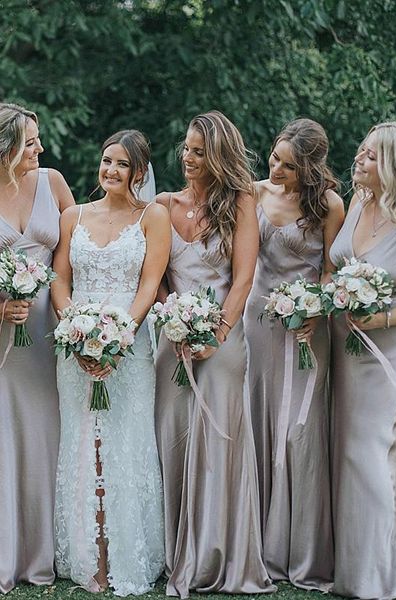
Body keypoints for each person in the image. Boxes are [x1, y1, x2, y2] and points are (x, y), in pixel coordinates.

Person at [155, 110, 276, 598]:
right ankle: (172, 551)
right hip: (172, 341)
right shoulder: (163, 205)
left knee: (218, 443)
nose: (188, 158)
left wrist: (217, 333)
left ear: (219, 156)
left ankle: (216, 554)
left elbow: (243, 278)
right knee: (173, 437)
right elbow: (156, 277)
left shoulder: (241, 202)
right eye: (186, 149)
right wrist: (174, 320)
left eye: (200, 152)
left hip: (223, 340)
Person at [51, 130, 170, 595]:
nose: (111, 170)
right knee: (83, 442)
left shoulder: (152, 216)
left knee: (126, 441)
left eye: (122, 164)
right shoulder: (73, 216)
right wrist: (74, 331)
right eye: (106, 161)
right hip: (75, 345)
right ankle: (89, 556)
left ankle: (126, 553)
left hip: (129, 346)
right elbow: (60, 281)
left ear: (139, 172)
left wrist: (119, 338)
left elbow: (149, 285)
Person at [244, 118, 344, 589]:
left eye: (287, 165)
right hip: (258, 325)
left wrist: (317, 310)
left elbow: (329, 269)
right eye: (274, 157)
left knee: (298, 432)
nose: (275, 169)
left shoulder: (329, 205)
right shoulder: (254, 193)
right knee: (259, 423)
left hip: (306, 330)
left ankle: (299, 550)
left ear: (309, 167)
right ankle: (258, 545)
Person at [0, 103, 75, 593]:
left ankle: (44, 551)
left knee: (48, 432)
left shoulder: (53, 182)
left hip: (51, 327)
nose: (40, 149)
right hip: (4, 336)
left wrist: (75, 317)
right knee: (6, 434)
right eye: (30, 142)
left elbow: (76, 248)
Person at [330, 122, 396, 599]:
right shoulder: (356, 202)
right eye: (361, 151)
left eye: (372, 156)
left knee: (371, 453)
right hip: (345, 348)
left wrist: (384, 318)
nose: (360, 159)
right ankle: (353, 571)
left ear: (392, 164)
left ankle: (379, 578)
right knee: (350, 455)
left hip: (387, 351)